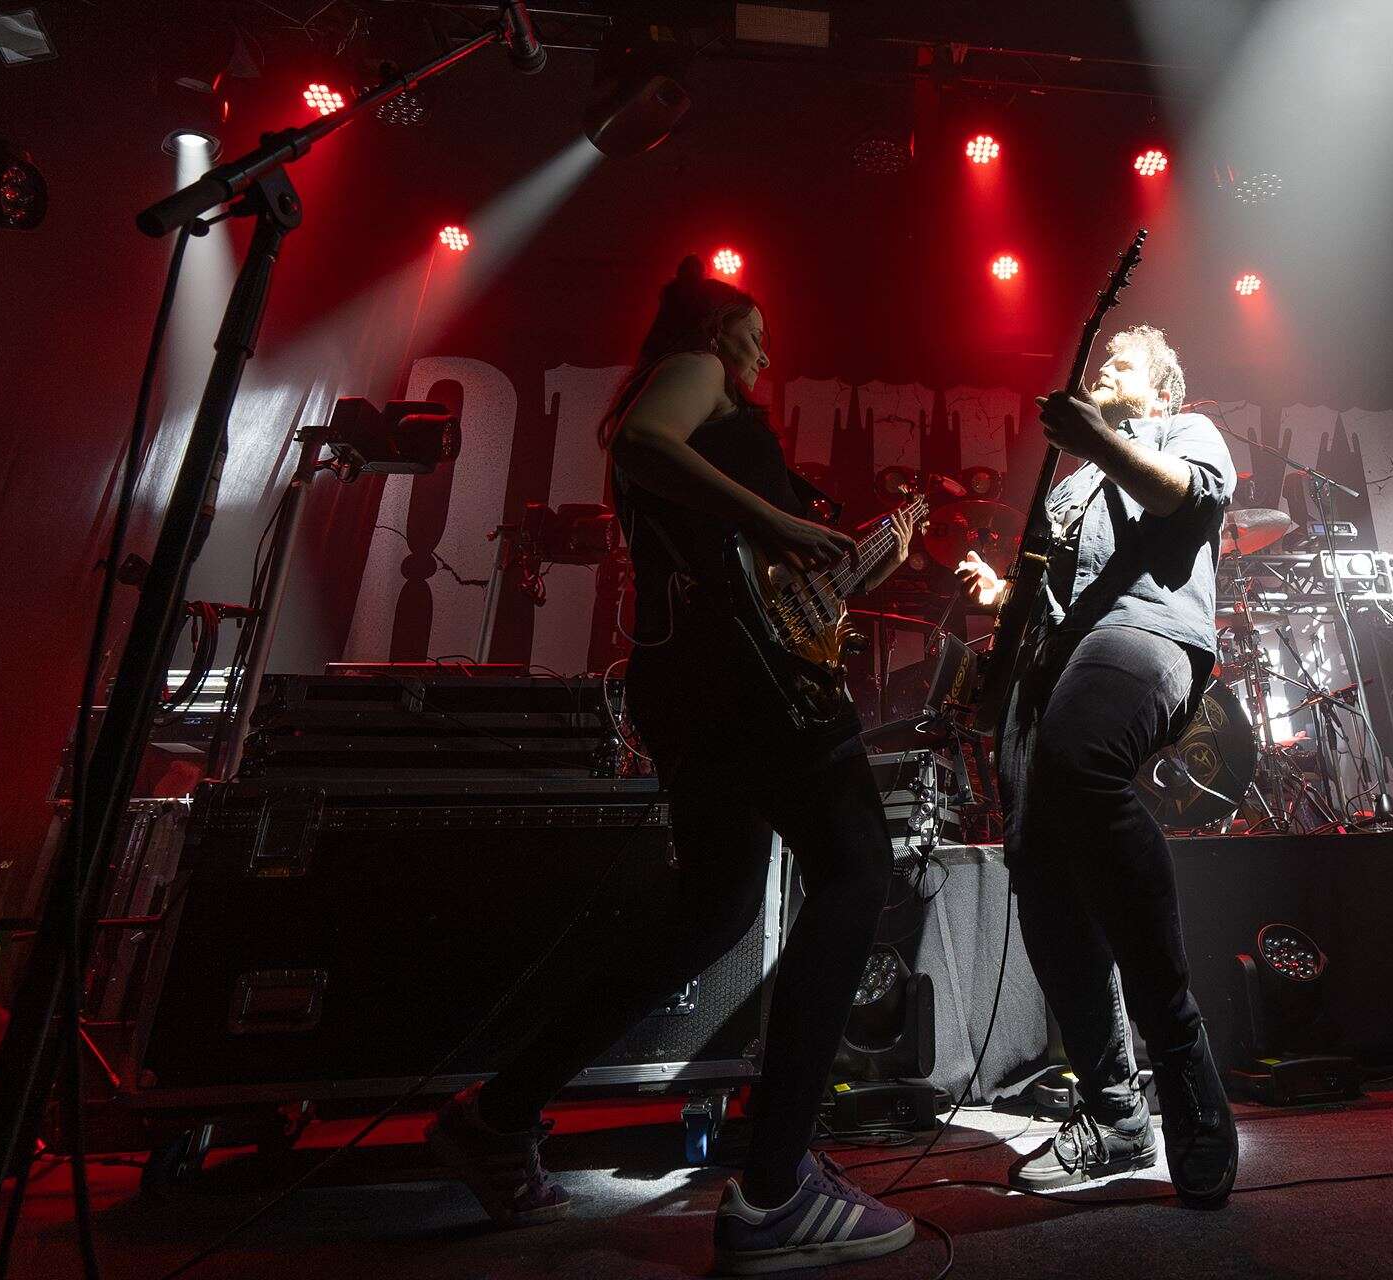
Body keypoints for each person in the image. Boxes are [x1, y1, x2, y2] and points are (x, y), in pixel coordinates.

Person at [425, 257, 917, 1274]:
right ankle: (776, 1187)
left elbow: (744, 566)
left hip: (702, 680)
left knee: (712, 912)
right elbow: (645, 443)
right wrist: (777, 517)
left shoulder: (715, 420)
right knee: (856, 866)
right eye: (754, 332)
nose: (765, 352)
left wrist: (849, 558)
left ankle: (498, 1113)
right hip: (740, 680)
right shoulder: (693, 370)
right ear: (716, 326)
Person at [956, 325, 1240, 1206]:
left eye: (1122, 362)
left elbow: (1183, 501)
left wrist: (1102, 441)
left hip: (1149, 632)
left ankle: (1179, 1048)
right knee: (1039, 867)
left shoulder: (1184, 431)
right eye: (1102, 358)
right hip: (1056, 664)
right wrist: (1004, 596)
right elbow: (1052, 596)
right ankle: (1116, 1113)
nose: (1103, 367)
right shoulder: (1070, 485)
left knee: (1081, 761)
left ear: (1160, 389)